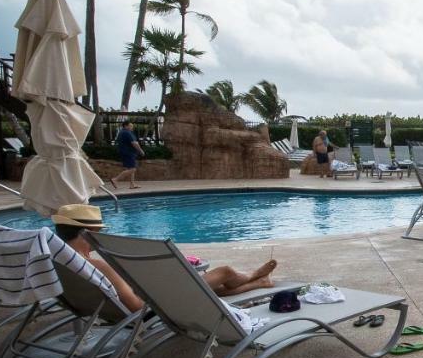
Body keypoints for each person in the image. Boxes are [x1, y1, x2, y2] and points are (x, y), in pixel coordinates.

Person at [51, 204, 279, 313]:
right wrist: (156, 291)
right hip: (154, 304)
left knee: (209, 289)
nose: (98, 237)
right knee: (225, 271)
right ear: (84, 234)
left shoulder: (60, 259)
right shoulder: (95, 264)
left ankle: (259, 282)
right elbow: (134, 304)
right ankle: (253, 276)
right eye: (97, 232)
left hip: (114, 305)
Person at [110, 120, 144, 189]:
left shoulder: (122, 132)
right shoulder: (127, 133)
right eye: (130, 126)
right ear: (125, 126)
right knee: (133, 169)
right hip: (128, 153)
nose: (132, 127)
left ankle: (132, 185)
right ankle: (115, 179)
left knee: (130, 168)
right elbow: (134, 143)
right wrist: (141, 151)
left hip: (126, 152)